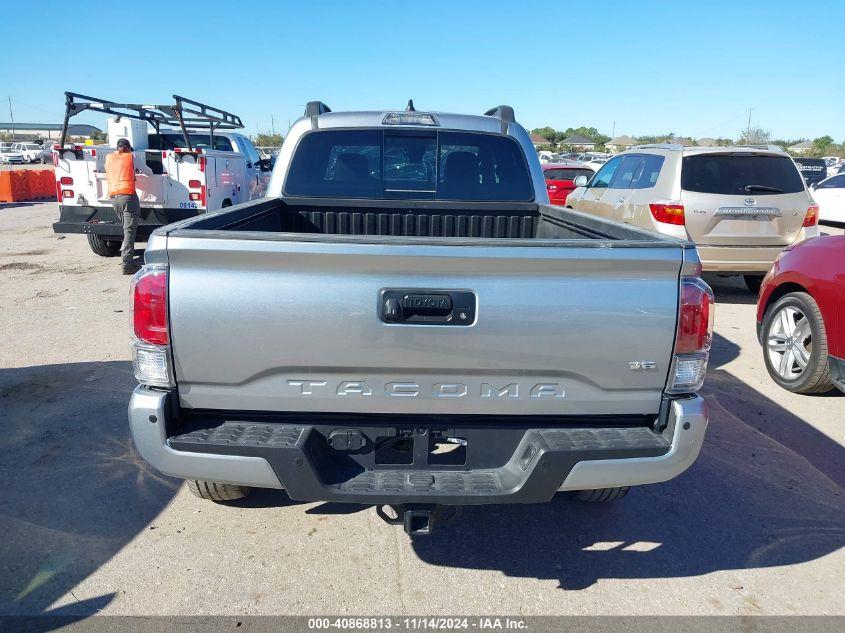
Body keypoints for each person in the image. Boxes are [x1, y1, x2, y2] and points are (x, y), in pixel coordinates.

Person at [105, 138, 141, 274]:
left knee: (126, 229)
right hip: (128, 197)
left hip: (114, 197)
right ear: (127, 147)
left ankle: (126, 258)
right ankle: (127, 265)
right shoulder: (131, 157)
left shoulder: (109, 158)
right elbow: (147, 171)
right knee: (129, 232)